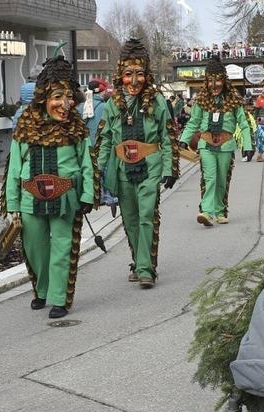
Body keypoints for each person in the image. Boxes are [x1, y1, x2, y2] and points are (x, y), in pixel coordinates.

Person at [1, 55, 96, 319]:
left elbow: (87, 164)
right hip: (30, 198)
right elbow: (13, 169)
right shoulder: (25, 127)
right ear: (44, 97)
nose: (64, 104)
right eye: (57, 97)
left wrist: (87, 194)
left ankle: (59, 298)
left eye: (68, 97)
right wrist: (13, 204)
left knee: (62, 247)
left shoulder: (76, 128)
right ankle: (42, 290)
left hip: (66, 197)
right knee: (35, 248)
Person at [97, 38, 176, 289]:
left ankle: (145, 269)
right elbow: (106, 139)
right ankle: (138, 261)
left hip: (150, 166)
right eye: (129, 74)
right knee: (130, 219)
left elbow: (167, 136)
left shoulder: (158, 102)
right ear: (121, 75)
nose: (134, 81)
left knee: (146, 216)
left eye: (139, 74)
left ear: (147, 75)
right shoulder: (112, 105)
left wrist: (169, 168)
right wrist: (97, 171)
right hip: (122, 169)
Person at [179, 56, 253, 226]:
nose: (214, 85)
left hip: (226, 145)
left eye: (217, 80)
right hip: (206, 145)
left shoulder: (233, 98)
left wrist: (247, 145)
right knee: (210, 177)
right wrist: (184, 140)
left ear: (224, 80)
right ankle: (206, 211)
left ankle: (220, 211)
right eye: (210, 80)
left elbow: (243, 123)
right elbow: (193, 122)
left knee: (221, 179)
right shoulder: (201, 99)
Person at [77, 79, 119, 215]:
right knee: (104, 169)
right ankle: (109, 197)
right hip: (101, 144)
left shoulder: (80, 107)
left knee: (90, 170)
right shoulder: (105, 107)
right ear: (101, 91)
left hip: (86, 144)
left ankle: (94, 196)